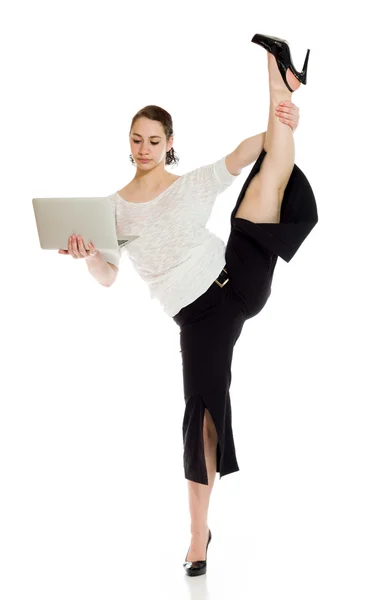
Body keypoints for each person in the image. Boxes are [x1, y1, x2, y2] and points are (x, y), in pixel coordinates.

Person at [58, 33, 318, 576]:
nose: (144, 148)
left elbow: (253, 150)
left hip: (237, 278)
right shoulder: (110, 211)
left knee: (269, 175)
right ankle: (199, 536)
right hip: (198, 319)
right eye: (136, 139)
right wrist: (86, 256)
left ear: (169, 142)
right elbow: (106, 276)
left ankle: (280, 79)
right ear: (128, 142)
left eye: (154, 140)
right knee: (202, 417)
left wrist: (280, 117)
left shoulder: (191, 184)